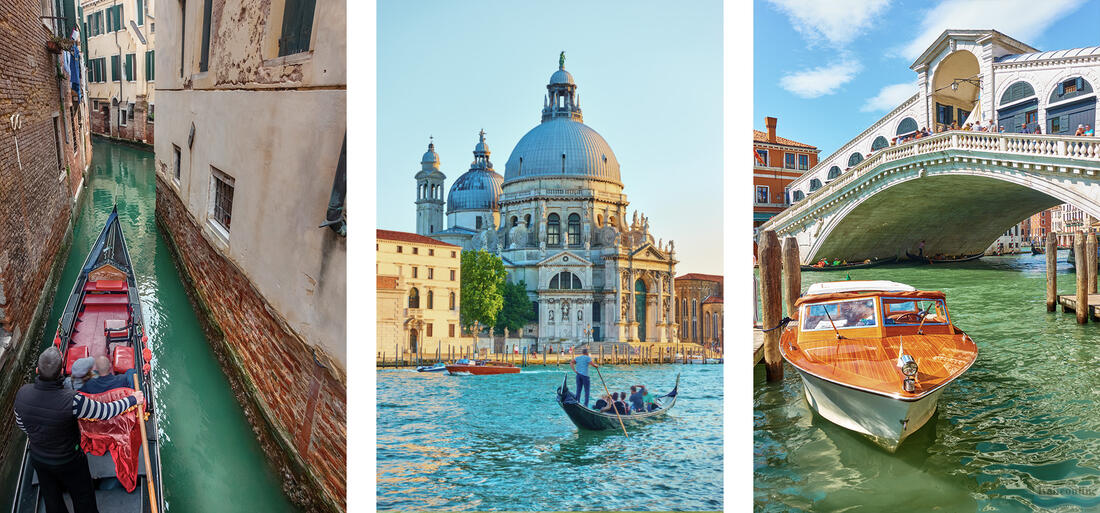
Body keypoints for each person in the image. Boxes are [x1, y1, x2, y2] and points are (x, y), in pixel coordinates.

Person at [14, 347, 144, 513]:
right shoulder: (73, 400)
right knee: (83, 499)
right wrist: (133, 399)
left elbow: (22, 425)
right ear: (61, 371)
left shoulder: (22, 394)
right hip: (69, 459)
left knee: (51, 499)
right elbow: (105, 412)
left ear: (37, 370)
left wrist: (38, 437)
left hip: (39, 459)